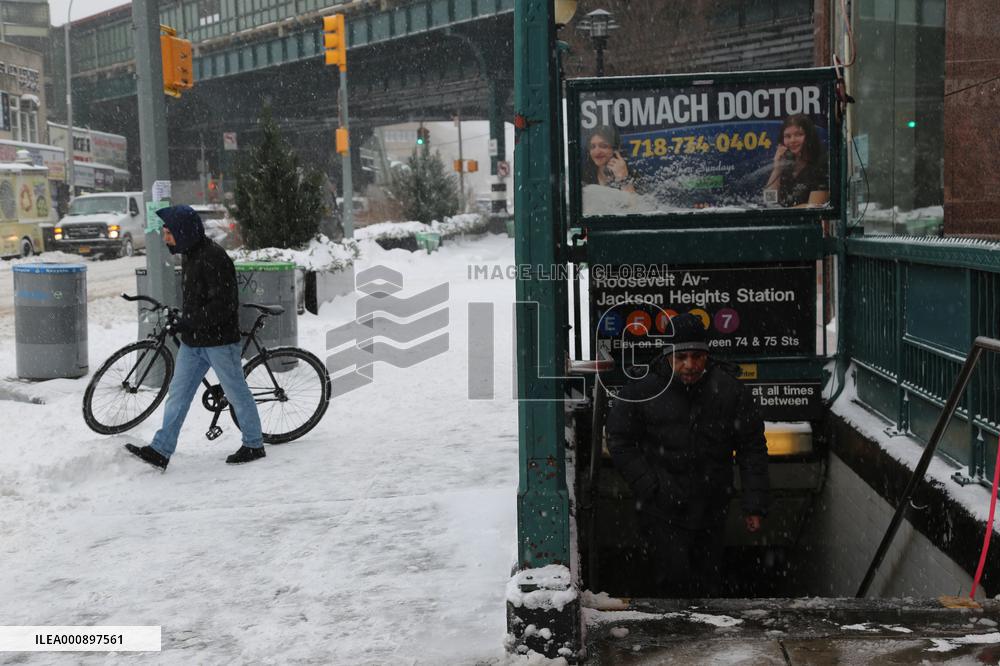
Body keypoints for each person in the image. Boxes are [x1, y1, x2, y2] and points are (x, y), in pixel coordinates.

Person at [605, 312, 769, 597]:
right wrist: (649, 485)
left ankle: (703, 623)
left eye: (697, 356)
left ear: (707, 356)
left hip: (711, 506)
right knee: (671, 579)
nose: (689, 365)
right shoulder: (643, 392)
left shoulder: (730, 392)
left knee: (708, 580)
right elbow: (619, 438)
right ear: (667, 356)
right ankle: (674, 622)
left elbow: (751, 447)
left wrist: (754, 504)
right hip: (662, 508)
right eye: (681, 357)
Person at [124, 205, 266, 470]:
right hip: (194, 342)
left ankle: (254, 444)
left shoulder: (214, 258)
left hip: (220, 342)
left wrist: (188, 320)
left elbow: (223, 306)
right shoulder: (190, 254)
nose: (166, 239)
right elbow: (197, 301)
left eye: (169, 233)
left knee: (236, 393)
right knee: (177, 396)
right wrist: (182, 318)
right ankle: (161, 450)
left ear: (183, 232)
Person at [764, 114, 830, 208]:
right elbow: (769, 201)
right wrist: (777, 168)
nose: (792, 140)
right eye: (788, 136)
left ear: (809, 137)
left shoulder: (822, 164)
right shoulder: (786, 164)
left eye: (799, 135)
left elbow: (815, 206)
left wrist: (780, 213)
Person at [581, 125, 637, 193]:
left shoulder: (631, 174)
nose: (597, 152)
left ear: (615, 149)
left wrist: (623, 179)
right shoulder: (584, 175)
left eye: (603, 146)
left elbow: (633, 200)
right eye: (592, 147)